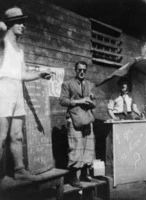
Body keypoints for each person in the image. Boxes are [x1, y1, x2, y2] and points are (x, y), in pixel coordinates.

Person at [0, 7, 53, 181]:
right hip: (3, 91)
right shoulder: (1, 42)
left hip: (16, 91)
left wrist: (39, 74)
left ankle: (19, 169)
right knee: (0, 136)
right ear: (10, 24)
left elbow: (22, 74)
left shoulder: (20, 50)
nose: (23, 26)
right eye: (19, 22)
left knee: (17, 135)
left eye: (23, 23)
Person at [60, 61, 96, 188]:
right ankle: (73, 178)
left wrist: (91, 100)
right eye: (79, 70)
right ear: (75, 70)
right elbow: (62, 101)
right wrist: (80, 101)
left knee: (88, 147)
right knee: (75, 147)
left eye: (84, 70)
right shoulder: (67, 84)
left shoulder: (89, 85)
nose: (82, 72)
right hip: (74, 119)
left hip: (87, 118)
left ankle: (85, 175)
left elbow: (93, 100)